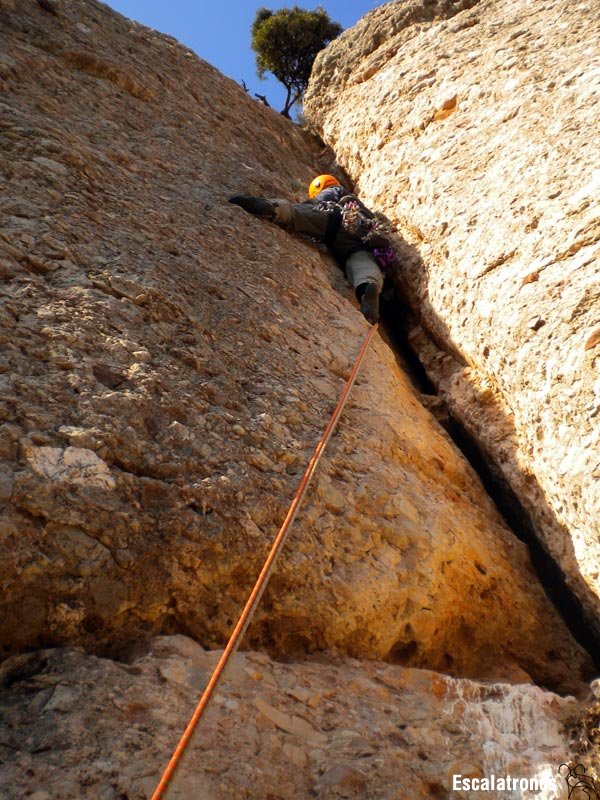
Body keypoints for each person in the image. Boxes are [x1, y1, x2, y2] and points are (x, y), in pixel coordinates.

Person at [229, 174, 390, 324]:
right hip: (359, 240)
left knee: (296, 214)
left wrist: (309, 207)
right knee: (363, 264)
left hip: (332, 219)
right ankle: (367, 287)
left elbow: (318, 204)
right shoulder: (360, 206)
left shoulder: (334, 191)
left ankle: (272, 208)